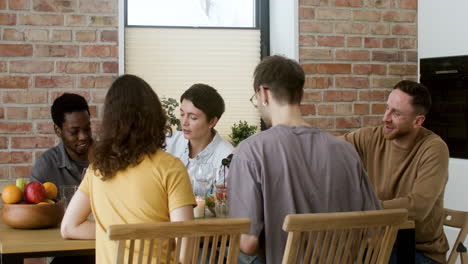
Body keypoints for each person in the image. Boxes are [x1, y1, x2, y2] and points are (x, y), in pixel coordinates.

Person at [227, 55, 381, 264]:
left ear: (263, 93)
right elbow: (374, 233)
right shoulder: (347, 151)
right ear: (300, 94)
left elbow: (247, 243)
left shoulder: (251, 151)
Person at [60, 74, 196, 263]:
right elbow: (185, 253)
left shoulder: (97, 168)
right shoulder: (171, 168)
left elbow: (69, 227)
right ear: (154, 116)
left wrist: (115, 232)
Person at [341, 80, 449, 264]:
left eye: (396, 113)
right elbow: (330, 148)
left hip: (419, 252)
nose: (386, 117)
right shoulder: (371, 137)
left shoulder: (434, 148)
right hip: (381, 244)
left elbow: (417, 207)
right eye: (387, 108)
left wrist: (363, 209)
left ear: (418, 121)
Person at [165, 84, 233, 196]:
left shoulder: (226, 158)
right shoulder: (170, 141)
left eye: (193, 117)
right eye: (182, 114)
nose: (184, 122)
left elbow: (221, 207)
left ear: (212, 122)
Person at [30, 93, 92, 188]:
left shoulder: (109, 158)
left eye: (87, 128)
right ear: (57, 130)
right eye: (74, 131)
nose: (83, 136)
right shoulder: (46, 166)